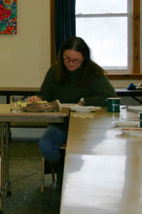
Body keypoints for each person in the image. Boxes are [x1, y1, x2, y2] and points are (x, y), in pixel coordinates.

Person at [27, 36, 116, 188]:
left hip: (88, 125)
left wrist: (85, 101)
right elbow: (45, 94)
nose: (71, 63)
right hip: (61, 122)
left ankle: (72, 176)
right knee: (46, 145)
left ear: (84, 59)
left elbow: (110, 97)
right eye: (67, 59)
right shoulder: (55, 70)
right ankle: (61, 168)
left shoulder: (94, 72)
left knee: (82, 151)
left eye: (76, 60)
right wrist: (37, 98)